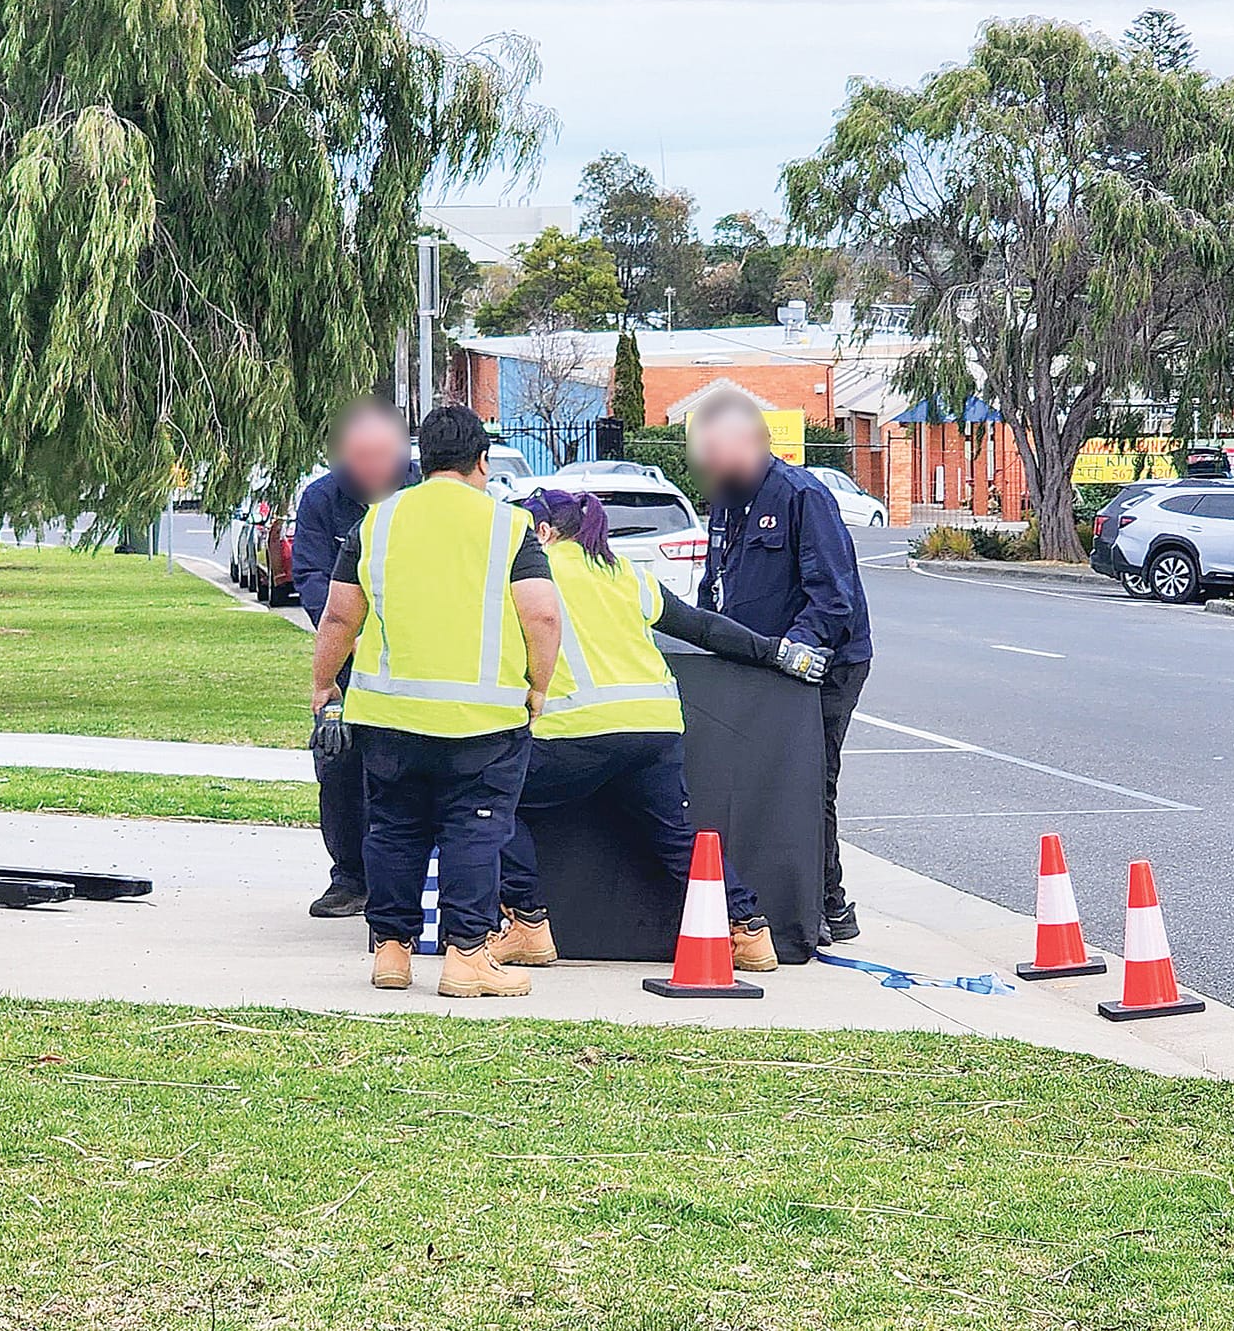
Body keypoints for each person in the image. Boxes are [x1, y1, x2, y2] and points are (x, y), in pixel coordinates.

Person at [491, 489, 832, 972]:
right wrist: (776, 652)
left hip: (576, 730)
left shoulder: (530, 574)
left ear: (543, 532)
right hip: (656, 728)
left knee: (493, 803)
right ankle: (749, 930)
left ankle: (526, 924)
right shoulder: (625, 574)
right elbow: (701, 627)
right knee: (675, 836)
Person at [310, 405, 562, 998]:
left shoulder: (379, 522)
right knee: (473, 832)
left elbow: (341, 614)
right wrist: (539, 686)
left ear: (421, 462)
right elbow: (543, 613)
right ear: (482, 461)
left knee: (394, 829)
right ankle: (467, 956)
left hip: (389, 717)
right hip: (484, 720)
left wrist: (325, 683)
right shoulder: (508, 526)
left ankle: (391, 952)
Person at [689, 395, 873, 943]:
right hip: (756, 667)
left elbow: (833, 599)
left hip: (823, 668)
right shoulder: (727, 502)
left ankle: (824, 904)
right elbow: (716, 585)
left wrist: (794, 650)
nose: (711, 467)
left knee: (809, 780)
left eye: (718, 454)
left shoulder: (802, 497)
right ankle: (771, 892)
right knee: (756, 781)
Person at [291, 399, 416, 918]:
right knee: (339, 764)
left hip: (414, 661)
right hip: (346, 661)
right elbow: (312, 578)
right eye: (360, 457)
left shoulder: (423, 494)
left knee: (404, 772)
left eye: (381, 456)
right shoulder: (322, 501)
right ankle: (349, 877)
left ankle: (405, 882)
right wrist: (350, 636)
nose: (371, 469)